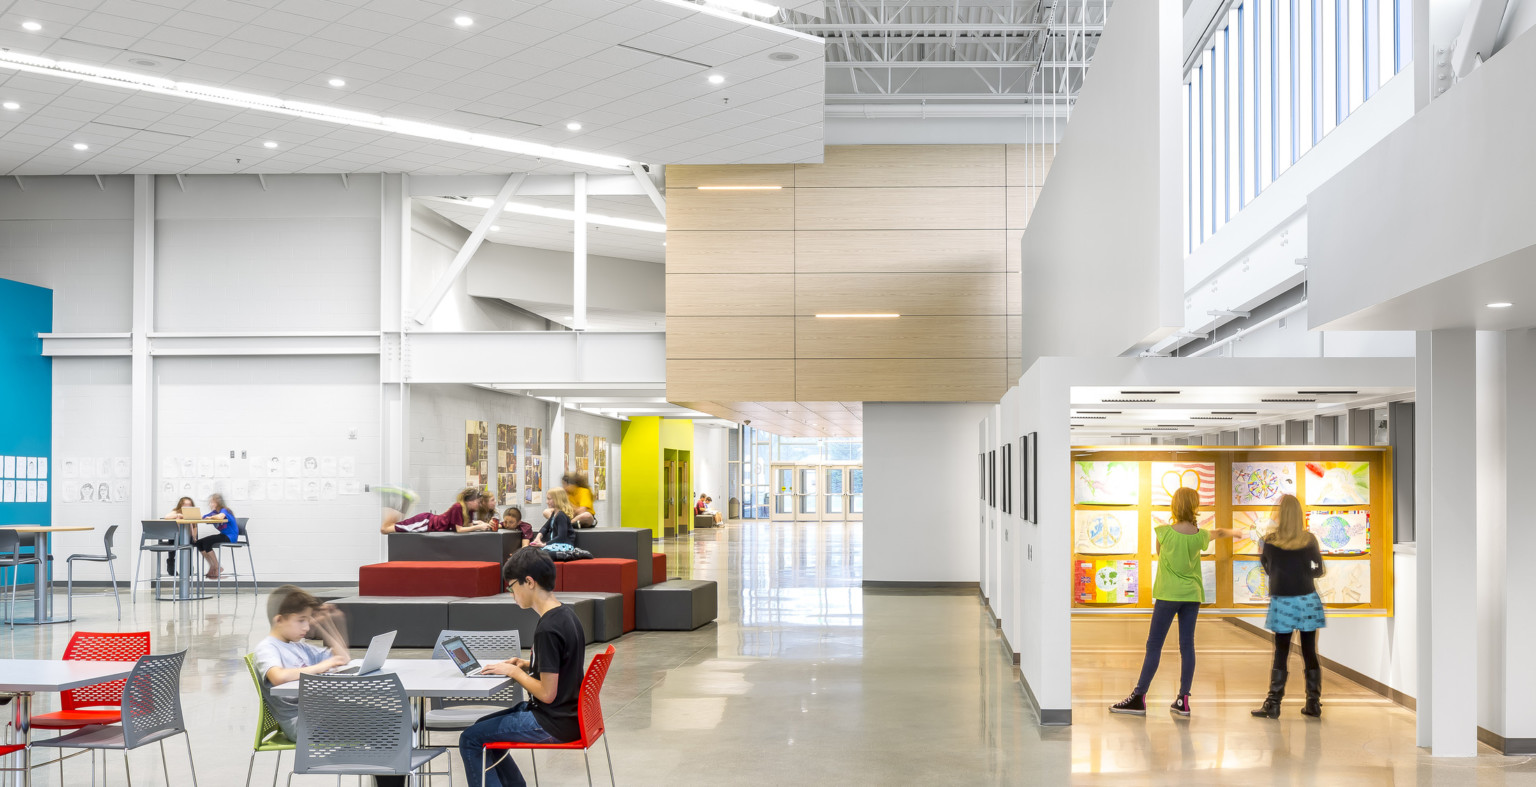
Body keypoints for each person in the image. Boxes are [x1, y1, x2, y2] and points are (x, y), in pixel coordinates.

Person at [253, 587, 406, 787]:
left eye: (308, 620)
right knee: (388, 729)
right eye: (301, 620)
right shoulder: (267, 647)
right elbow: (277, 676)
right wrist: (320, 667)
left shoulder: (297, 645)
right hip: (303, 724)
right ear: (279, 619)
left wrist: (329, 625)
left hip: (321, 714)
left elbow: (341, 658)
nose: (307, 627)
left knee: (394, 721)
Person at [458, 548, 587, 787]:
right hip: (567, 717)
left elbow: (548, 694)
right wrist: (527, 664)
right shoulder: (566, 615)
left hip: (551, 722)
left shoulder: (548, 628)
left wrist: (514, 672)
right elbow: (563, 666)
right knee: (480, 730)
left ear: (529, 582)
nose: (511, 593)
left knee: (470, 740)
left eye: (511, 586)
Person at [1111, 487, 1238, 717]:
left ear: (1174, 506)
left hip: (1168, 595)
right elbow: (1217, 533)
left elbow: (1160, 554)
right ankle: (1183, 700)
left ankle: (1139, 697)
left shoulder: (1163, 533)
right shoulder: (1199, 535)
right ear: (1194, 507)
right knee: (1187, 646)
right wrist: (1236, 532)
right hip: (1191, 596)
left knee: (1154, 646)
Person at [1252, 494, 1328, 719]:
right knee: (1309, 652)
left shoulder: (1268, 541)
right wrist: (1305, 571)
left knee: (1281, 652)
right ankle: (1313, 703)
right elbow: (1318, 569)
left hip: (1282, 602)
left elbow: (1267, 567)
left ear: (1281, 514)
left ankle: (1273, 704)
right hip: (1307, 600)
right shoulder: (1309, 540)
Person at [379, 486, 495, 534]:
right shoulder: (458, 507)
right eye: (478, 502)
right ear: (470, 501)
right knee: (385, 529)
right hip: (425, 522)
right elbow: (459, 529)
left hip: (428, 522)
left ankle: (405, 500)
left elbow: (467, 524)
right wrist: (479, 527)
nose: (479, 504)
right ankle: (400, 499)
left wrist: (478, 523)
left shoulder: (469, 510)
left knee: (390, 525)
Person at [195, 493, 239, 579]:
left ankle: (217, 566)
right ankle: (212, 565)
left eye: (212, 502)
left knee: (207, 542)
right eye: (210, 502)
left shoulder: (224, 510)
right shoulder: (214, 512)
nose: (210, 504)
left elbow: (220, 517)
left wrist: (211, 517)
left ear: (218, 503)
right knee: (199, 543)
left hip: (230, 537)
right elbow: (203, 517)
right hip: (224, 535)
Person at [158, 496, 195, 575]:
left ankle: (189, 565)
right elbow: (167, 516)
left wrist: (190, 522)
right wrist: (179, 516)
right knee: (173, 538)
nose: (187, 507)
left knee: (191, 543)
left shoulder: (193, 515)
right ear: (181, 505)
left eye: (189, 505)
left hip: (188, 538)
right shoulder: (176, 512)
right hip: (176, 538)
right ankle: (171, 563)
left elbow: (193, 535)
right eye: (185, 504)